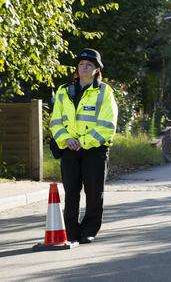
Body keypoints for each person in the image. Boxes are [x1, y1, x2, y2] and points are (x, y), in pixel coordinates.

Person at [49, 48, 118, 244]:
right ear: (76, 67)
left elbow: (107, 125)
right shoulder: (64, 90)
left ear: (97, 70)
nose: (84, 67)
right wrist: (66, 140)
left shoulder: (105, 92)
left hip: (94, 150)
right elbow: (55, 122)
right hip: (69, 148)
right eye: (81, 64)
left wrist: (83, 142)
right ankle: (70, 231)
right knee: (71, 192)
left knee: (94, 191)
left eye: (89, 65)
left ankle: (89, 230)